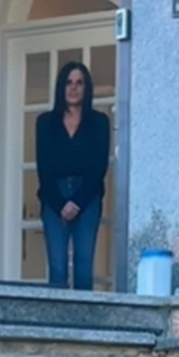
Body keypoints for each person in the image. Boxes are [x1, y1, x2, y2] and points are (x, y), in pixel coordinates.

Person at [34, 61, 111, 291]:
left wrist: (76, 203)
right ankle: (57, 325)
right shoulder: (45, 123)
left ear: (86, 88)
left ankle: (84, 325)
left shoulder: (99, 123)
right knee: (57, 269)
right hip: (53, 197)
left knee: (83, 267)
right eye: (68, 82)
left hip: (86, 200)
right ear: (61, 87)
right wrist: (60, 205)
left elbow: (99, 167)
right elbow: (43, 168)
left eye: (79, 83)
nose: (73, 88)